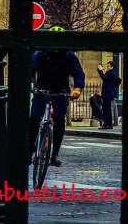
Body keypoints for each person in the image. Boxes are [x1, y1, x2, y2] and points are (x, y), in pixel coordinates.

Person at [29, 39, 84, 167]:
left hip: (61, 92)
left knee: (59, 119)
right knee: (34, 118)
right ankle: (30, 149)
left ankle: (55, 154)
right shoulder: (41, 54)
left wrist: (78, 88)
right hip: (41, 90)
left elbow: (78, 73)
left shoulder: (69, 55)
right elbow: (31, 69)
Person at [97, 61, 122, 130]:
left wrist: (100, 70)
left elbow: (104, 77)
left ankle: (109, 124)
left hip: (108, 94)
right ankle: (106, 124)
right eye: (107, 65)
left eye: (108, 66)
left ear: (112, 67)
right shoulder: (110, 73)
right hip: (106, 93)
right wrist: (100, 70)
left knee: (107, 110)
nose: (107, 67)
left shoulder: (112, 73)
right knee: (105, 109)